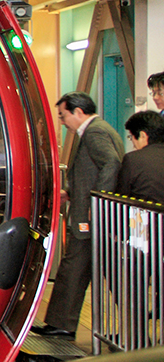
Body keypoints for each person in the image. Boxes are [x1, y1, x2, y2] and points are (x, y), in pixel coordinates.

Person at [36, 92, 124, 338]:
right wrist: (70, 191)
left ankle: (62, 323)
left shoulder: (95, 132)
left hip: (91, 216)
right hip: (92, 214)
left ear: (78, 112)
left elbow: (111, 164)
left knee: (74, 267)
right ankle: (61, 322)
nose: (63, 122)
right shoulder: (101, 129)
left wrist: (98, 199)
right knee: (78, 267)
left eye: (63, 116)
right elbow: (93, 169)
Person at [116, 109, 164, 202]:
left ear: (142, 135)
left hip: (146, 214)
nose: (133, 144)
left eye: (131, 137)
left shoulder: (133, 159)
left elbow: (122, 196)